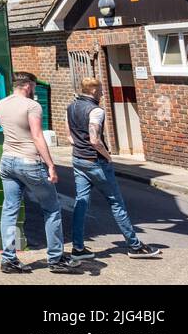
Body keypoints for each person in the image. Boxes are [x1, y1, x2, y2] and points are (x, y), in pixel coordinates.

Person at [67, 78, 161, 260]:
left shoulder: (71, 107)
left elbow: (70, 136)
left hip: (78, 159)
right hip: (96, 162)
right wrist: (108, 157)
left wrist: (80, 146)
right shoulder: (96, 111)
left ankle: (78, 248)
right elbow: (94, 139)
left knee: (81, 203)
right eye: (101, 89)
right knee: (116, 203)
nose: (102, 93)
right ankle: (134, 246)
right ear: (93, 90)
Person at [0, 71, 80, 274]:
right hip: (29, 161)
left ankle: (8, 259)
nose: (34, 90)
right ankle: (56, 258)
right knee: (51, 208)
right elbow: (36, 136)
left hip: (7, 160)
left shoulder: (0, 104)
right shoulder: (32, 106)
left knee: (9, 210)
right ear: (28, 85)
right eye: (33, 86)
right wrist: (51, 165)